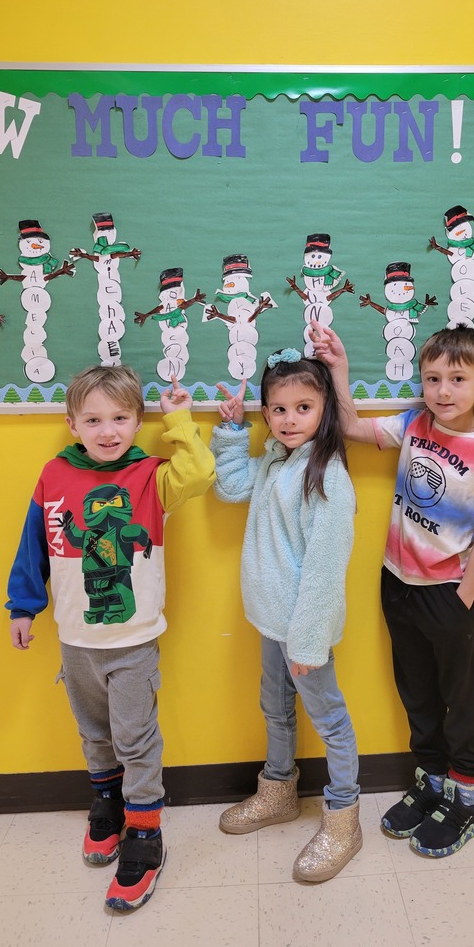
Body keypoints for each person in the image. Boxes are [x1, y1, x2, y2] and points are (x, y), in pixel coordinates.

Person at [7, 366, 215, 910]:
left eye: (120, 418)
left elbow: (199, 473)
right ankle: (107, 803)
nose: (107, 431)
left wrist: (179, 419)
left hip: (133, 639)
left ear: (138, 421)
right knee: (94, 733)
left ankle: (145, 831)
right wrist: (23, 606)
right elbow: (34, 544)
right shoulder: (54, 474)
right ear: (72, 424)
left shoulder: (151, 475)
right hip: (75, 640)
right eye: (93, 420)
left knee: (135, 737)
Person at [311, 321, 474, 858]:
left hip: (448, 592)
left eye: (457, 379)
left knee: (461, 698)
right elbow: (350, 426)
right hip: (396, 583)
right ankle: (431, 780)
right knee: (416, 691)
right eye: (432, 378)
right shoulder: (415, 423)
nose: (443, 391)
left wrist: (463, 597)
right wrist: (338, 368)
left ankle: (466, 796)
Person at [211, 348, 362, 882]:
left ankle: (343, 818)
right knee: (274, 708)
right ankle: (278, 791)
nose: (290, 419)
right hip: (270, 620)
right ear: (267, 413)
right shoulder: (276, 460)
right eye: (278, 409)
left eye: (303, 407)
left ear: (324, 409)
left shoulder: (327, 476)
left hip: (303, 631)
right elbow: (232, 486)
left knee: (330, 720)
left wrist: (308, 642)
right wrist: (233, 432)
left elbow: (325, 569)